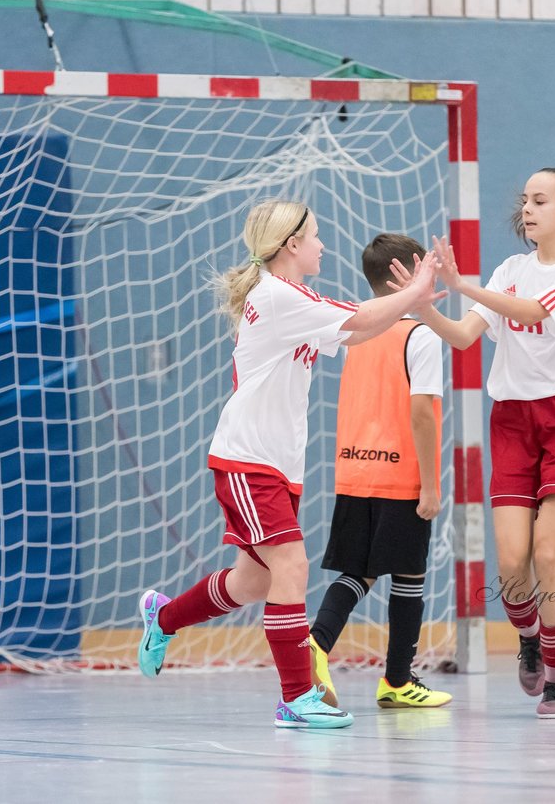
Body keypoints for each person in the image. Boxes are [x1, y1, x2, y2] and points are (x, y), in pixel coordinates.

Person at [136, 199, 444, 730]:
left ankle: (162, 618)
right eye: (316, 237)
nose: (323, 246)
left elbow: (357, 330)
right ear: (291, 246)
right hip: (249, 458)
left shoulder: (291, 298)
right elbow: (363, 317)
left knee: (252, 583)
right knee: (292, 568)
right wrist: (413, 294)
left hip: (273, 464)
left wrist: (406, 304)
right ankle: (297, 697)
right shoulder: (279, 296)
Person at [402, 167, 555, 719]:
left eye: (541, 200)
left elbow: (538, 313)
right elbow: (467, 335)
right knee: (512, 563)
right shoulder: (509, 271)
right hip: (512, 420)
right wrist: (423, 306)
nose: (528, 209)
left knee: (547, 554)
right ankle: (529, 639)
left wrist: (466, 285)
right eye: (525, 200)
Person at [307, 233, 452, 711]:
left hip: (355, 469)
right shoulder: (421, 333)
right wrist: (430, 485)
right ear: (407, 271)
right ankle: (396, 679)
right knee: (409, 574)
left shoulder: (358, 332)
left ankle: (316, 644)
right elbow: (421, 413)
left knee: (359, 570)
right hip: (401, 474)